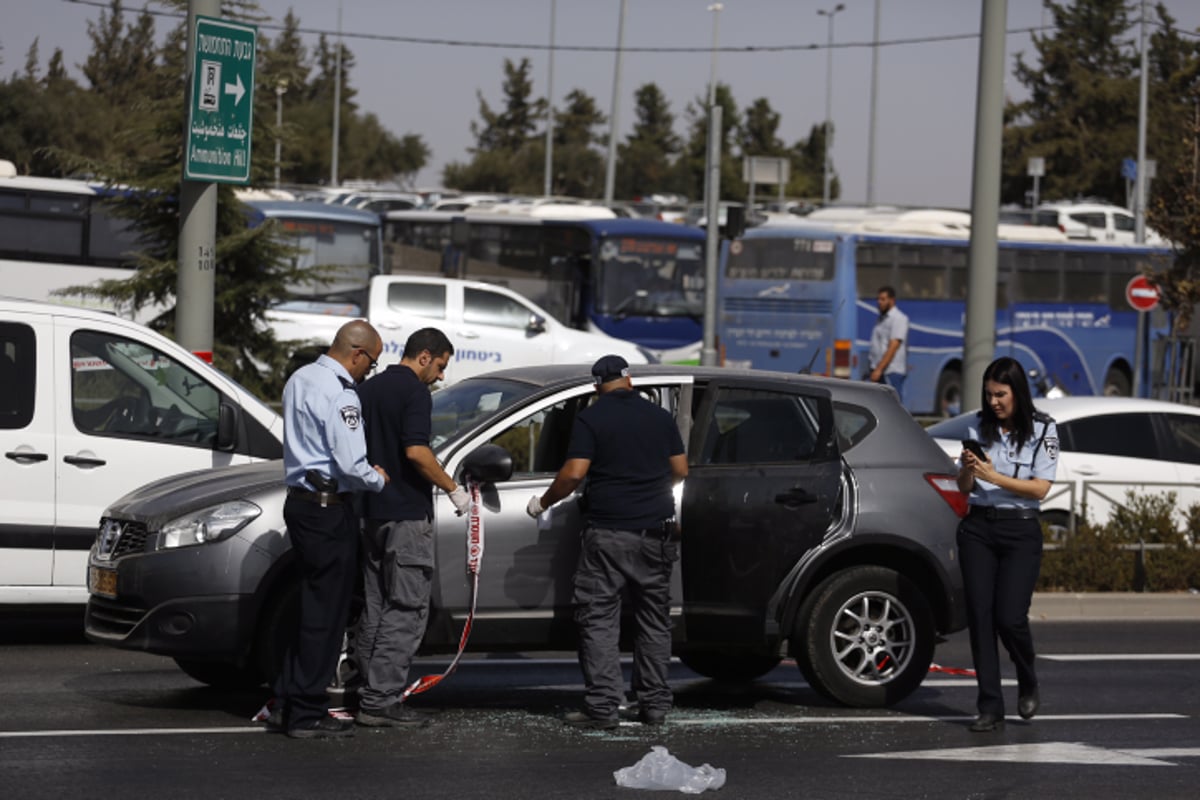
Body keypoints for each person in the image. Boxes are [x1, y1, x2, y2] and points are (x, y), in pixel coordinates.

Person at [526, 355, 688, 730]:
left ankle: (602, 707)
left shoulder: (592, 418)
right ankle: (654, 705)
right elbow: (680, 470)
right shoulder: (660, 418)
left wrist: (543, 502)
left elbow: (574, 473)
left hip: (609, 532)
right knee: (653, 621)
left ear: (598, 386)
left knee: (600, 619)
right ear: (629, 381)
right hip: (657, 532)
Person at [276, 319, 389, 740]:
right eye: (371, 363)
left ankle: (286, 701)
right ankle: (306, 712)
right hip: (329, 511)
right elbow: (350, 463)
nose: (368, 372)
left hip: (300, 505)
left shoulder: (299, 378)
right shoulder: (343, 394)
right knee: (327, 616)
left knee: (308, 608)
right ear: (357, 353)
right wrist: (377, 478)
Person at [353, 328, 472, 728]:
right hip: (405, 514)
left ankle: (365, 690)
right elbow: (417, 451)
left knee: (375, 607)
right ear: (424, 356)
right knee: (405, 609)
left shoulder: (367, 390)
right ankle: (382, 700)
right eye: (439, 366)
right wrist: (453, 489)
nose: (440, 376)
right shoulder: (414, 393)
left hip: (370, 512)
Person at [956, 356, 1058, 733]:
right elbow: (965, 487)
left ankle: (1027, 675)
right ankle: (990, 706)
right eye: (989, 394)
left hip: (1020, 530)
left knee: (1009, 617)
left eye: (1001, 394)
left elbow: (1040, 489)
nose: (994, 402)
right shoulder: (977, 425)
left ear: (1017, 392)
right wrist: (968, 469)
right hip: (978, 528)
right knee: (981, 619)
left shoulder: (1044, 429)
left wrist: (993, 476)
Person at [867, 286, 909, 397]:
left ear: (892, 300)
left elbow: (893, 346)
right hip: (879, 371)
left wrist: (879, 369)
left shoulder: (899, 319)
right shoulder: (881, 319)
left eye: (883, 299)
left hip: (890, 372)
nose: (879, 302)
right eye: (878, 299)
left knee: (893, 407)